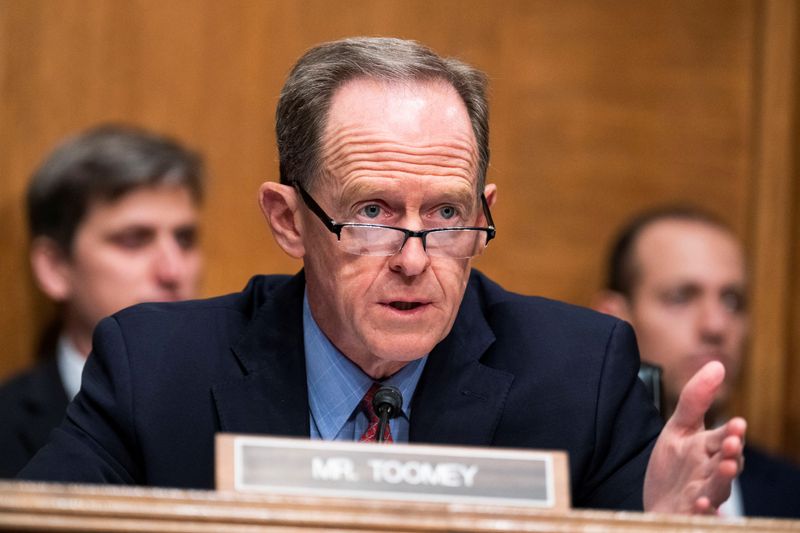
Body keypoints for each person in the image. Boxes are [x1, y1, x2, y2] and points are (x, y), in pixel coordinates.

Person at [19, 38, 745, 514]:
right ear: (287, 219)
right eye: (372, 211)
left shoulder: (579, 375)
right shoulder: (157, 369)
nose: (414, 257)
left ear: (486, 212)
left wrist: (654, 529)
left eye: (447, 212)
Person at [0, 124, 204, 477]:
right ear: (55, 267)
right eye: (133, 240)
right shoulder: (6, 422)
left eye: (184, 239)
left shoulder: (243, 409)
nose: (173, 271)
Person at [595, 206, 800, 518]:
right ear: (613, 318)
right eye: (681, 296)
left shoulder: (791, 493)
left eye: (733, 301)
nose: (716, 325)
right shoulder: (574, 480)